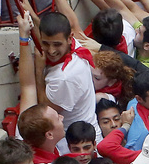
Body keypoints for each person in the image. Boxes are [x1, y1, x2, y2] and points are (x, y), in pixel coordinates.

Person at [37, 11, 102, 142]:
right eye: (45, 43)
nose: (51, 50)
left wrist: (38, 71)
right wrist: (32, 16)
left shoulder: (64, 77)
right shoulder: (73, 44)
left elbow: (46, 108)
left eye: (57, 44)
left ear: (69, 38)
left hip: (75, 144)